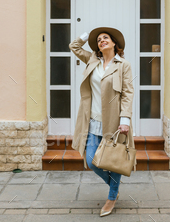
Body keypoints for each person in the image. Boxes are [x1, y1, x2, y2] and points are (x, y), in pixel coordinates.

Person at [69, 27, 136, 217]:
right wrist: (86, 34)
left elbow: (128, 94)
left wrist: (125, 120)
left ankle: (112, 197)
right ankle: (114, 187)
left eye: (105, 38)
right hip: (91, 121)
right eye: (98, 39)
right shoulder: (92, 60)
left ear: (114, 43)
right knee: (92, 161)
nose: (101, 40)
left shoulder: (123, 65)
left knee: (112, 160)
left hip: (114, 123)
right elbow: (74, 46)